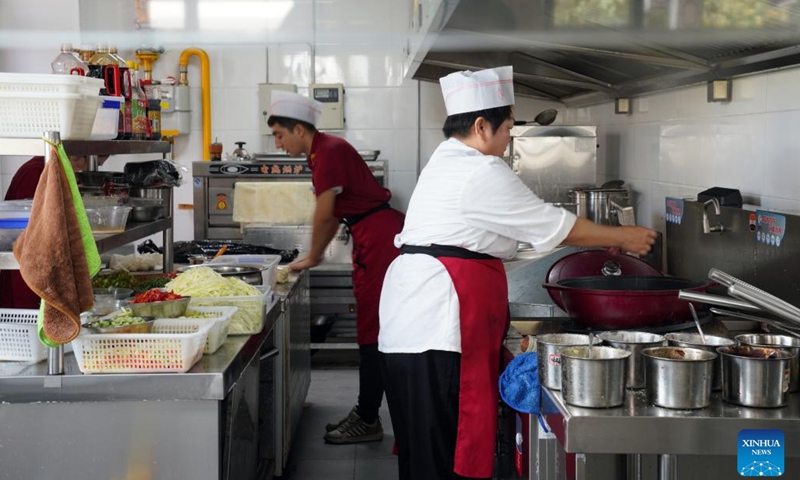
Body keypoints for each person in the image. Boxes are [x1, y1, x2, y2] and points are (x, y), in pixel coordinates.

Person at [378, 66, 657, 480]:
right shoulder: (478, 170)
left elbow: (516, 232)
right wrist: (626, 236)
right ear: (480, 125)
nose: (510, 138)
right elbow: (551, 224)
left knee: (427, 454)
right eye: (507, 127)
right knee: (444, 456)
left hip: (420, 323)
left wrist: (598, 238)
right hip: (439, 327)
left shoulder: (450, 160)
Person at [267, 91, 405, 444]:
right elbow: (331, 215)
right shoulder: (321, 152)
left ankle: (368, 418)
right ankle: (365, 412)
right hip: (371, 235)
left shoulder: (327, 152)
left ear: (299, 129)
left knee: (372, 331)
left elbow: (325, 213)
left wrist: (313, 256)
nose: (278, 144)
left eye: (279, 135)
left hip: (379, 240)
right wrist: (315, 253)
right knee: (369, 328)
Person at [0, 155, 109, 309]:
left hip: (42, 274)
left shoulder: (54, 171)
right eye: (95, 164)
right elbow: (36, 235)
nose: (86, 172)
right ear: (77, 157)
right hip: (26, 279)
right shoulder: (36, 172)